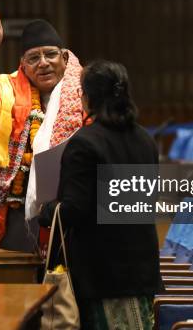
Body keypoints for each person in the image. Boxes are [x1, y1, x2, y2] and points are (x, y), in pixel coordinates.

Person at [39, 60, 162, 330]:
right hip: (141, 268)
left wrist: (45, 211)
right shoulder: (145, 139)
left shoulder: (85, 142)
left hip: (104, 273)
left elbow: (74, 208)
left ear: (88, 97)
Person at [0, 6, 85, 257]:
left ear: (65, 58)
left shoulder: (85, 95)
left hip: (72, 217)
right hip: (17, 221)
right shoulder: (7, 91)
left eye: (50, 55)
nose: (43, 64)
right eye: (33, 58)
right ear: (23, 65)